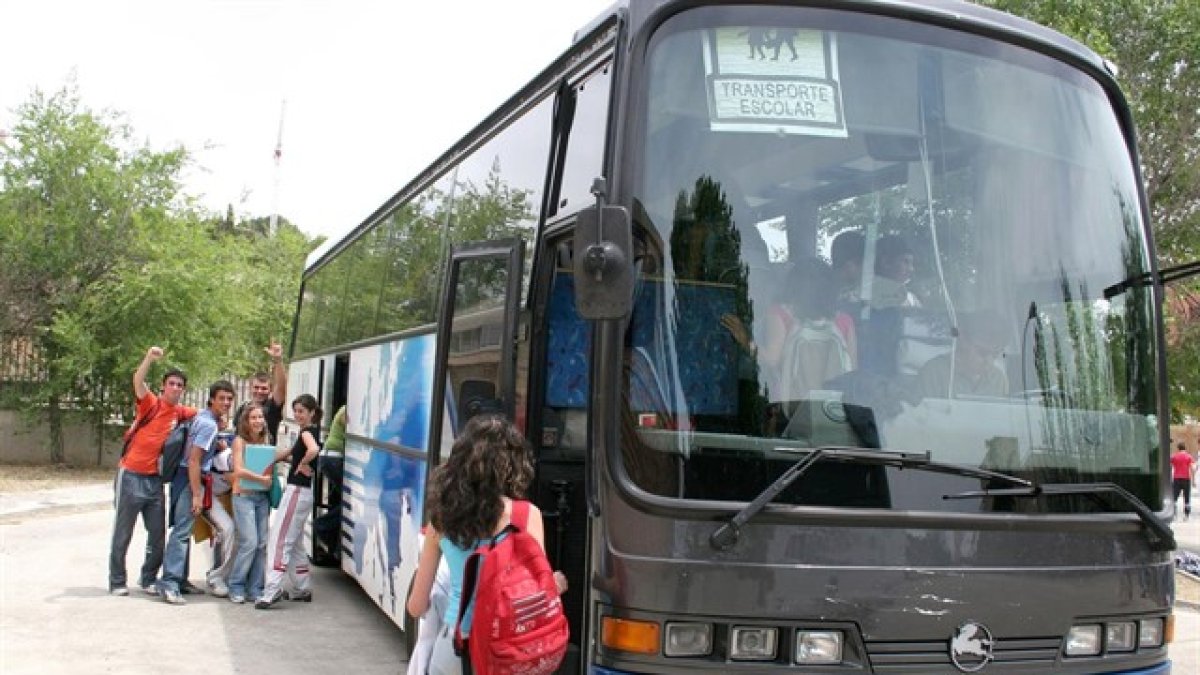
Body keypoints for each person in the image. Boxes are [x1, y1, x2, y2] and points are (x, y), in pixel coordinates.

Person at [406, 414, 568, 675]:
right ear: (513, 465)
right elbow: (539, 589)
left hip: (455, 647)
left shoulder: (440, 520)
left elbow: (416, 606)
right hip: (508, 649)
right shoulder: (527, 515)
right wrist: (557, 583)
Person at [108, 346, 197, 596]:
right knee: (122, 532)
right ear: (163, 386)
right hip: (131, 475)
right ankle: (117, 581)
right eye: (172, 384)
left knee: (157, 535)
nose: (176, 388)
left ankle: (148, 578)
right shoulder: (151, 404)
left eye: (180, 385)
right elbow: (137, 381)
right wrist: (148, 357)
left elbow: (206, 417)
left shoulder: (180, 412)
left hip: (155, 482)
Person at [159, 379, 235, 605]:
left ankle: (180, 580)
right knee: (182, 532)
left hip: (188, 479)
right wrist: (196, 494)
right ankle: (170, 583)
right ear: (211, 399)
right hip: (189, 479)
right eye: (221, 398)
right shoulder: (208, 424)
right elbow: (193, 461)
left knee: (185, 530)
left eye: (229, 399)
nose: (226, 402)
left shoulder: (204, 418)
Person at [256, 394, 323, 609]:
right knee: (294, 542)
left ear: (312, 412)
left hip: (296, 491)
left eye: (302, 411)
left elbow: (312, 450)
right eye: (295, 411)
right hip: (304, 493)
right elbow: (293, 452)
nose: (297, 415)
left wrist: (303, 463)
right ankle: (301, 587)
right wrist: (273, 458)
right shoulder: (311, 431)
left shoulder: (306, 433)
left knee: (280, 539)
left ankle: (272, 589)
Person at [228, 402, 274, 604]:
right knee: (250, 543)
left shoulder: (266, 439)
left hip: (261, 497)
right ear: (246, 421)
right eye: (253, 418)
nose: (258, 421)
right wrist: (261, 479)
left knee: (262, 544)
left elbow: (270, 461)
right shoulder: (239, 441)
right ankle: (236, 585)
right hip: (243, 497)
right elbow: (238, 470)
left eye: (260, 417)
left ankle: (255, 588)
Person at [916, 313, 1009, 399]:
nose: (989, 362)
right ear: (964, 340)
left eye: (995, 355)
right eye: (982, 353)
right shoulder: (934, 372)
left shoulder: (998, 379)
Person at [202, 417, 237, 597]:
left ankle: (222, 574)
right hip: (205, 495)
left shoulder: (231, 446)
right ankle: (216, 577)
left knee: (227, 533)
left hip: (221, 496)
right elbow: (234, 468)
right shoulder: (226, 453)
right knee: (227, 529)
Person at [233, 341, 288, 442]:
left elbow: (281, 387)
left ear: (270, 390)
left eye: (264, 388)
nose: (259, 391)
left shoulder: (272, 407)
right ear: (250, 387)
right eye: (256, 387)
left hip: (264, 454)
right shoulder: (242, 408)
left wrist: (278, 360)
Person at [868, 234, 921, 309]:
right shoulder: (863, 298)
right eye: (905, 262)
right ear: (886, 263)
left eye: (912, 263)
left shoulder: (911, 300)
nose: (911, 269)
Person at [1172, 442, 1196, 520]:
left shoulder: (1174, 456)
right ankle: (1186, 516)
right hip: (1186, 479)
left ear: (1178, 448)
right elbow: (1192, 468)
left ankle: (1174, 515)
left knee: (1174, 497)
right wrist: (1193, 480)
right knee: (1187, 498)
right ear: (1185, 448)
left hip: (1176, 479)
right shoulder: (1189, 456)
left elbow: (1170, 466)